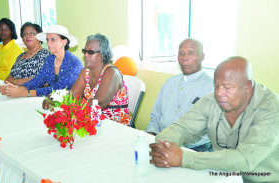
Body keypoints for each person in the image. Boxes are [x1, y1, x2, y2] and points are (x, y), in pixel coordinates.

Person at [150, 56, 279, 182]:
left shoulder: (271, 109)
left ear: (247, 86)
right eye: (216, 86)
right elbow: (182, 129)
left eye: (227, 88)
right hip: (221, 175)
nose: (218, 93)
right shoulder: (211, 101)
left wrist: (183, 158)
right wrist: (165, 149)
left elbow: (245, 159)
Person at [145, 38, 213, 152]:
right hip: (160, 143)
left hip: (193, 149)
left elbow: (206, 130)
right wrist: (150, 137)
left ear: (202, 57)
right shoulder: (169, 83)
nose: (185, 58)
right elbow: (155, 117)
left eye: (191, 53)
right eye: (181, 53)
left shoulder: (210, 88)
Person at [0, 25, 83, 97]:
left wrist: (24, 93)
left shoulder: (74, 63)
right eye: (47, 40)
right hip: (50, 102)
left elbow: (58, 88)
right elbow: (38, 80)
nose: (48, 43)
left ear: (64, 42)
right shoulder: (50, 59)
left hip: (70, 107)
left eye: (53, 39)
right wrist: (18, 88)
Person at [70, 33, 131, 126]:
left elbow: (99, 102)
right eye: (84, 51)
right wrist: (54, 99)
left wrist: (73, 105)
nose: (85, 55)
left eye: (90, 52)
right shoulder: (85, 71)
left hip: (115, 125)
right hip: (92, 121)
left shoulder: (111, 72)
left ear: (103, 54)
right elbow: (72, 95)